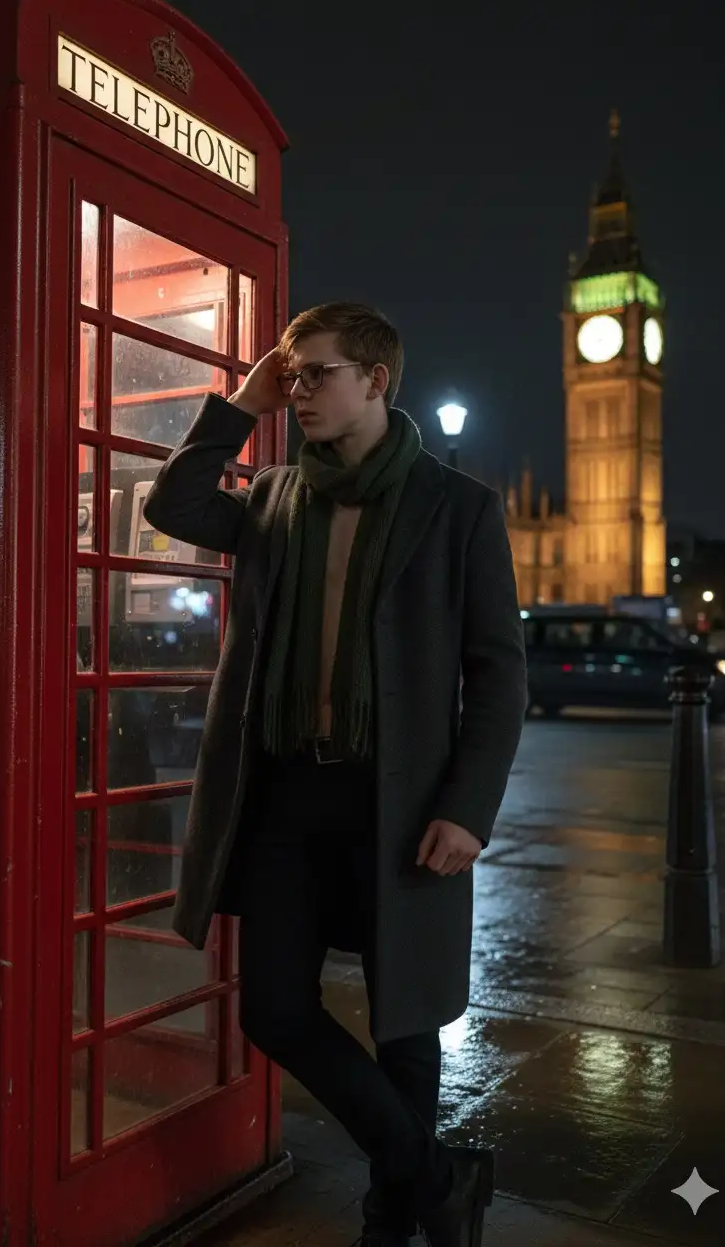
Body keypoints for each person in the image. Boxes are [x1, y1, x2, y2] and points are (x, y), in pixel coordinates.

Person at [142, 302, 527, 1247]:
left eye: (317, 373)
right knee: (275, 1006)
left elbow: (499, 672)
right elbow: (173, 506)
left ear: (376, 382)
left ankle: (390, 1217)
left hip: (398, 798)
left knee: (406, 1020)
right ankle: (438, 1175)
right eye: (293, 374)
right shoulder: (275, 495)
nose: (300, 389)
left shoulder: (457, 506)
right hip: (282, 793)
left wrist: (468, 809)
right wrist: (240, 402)